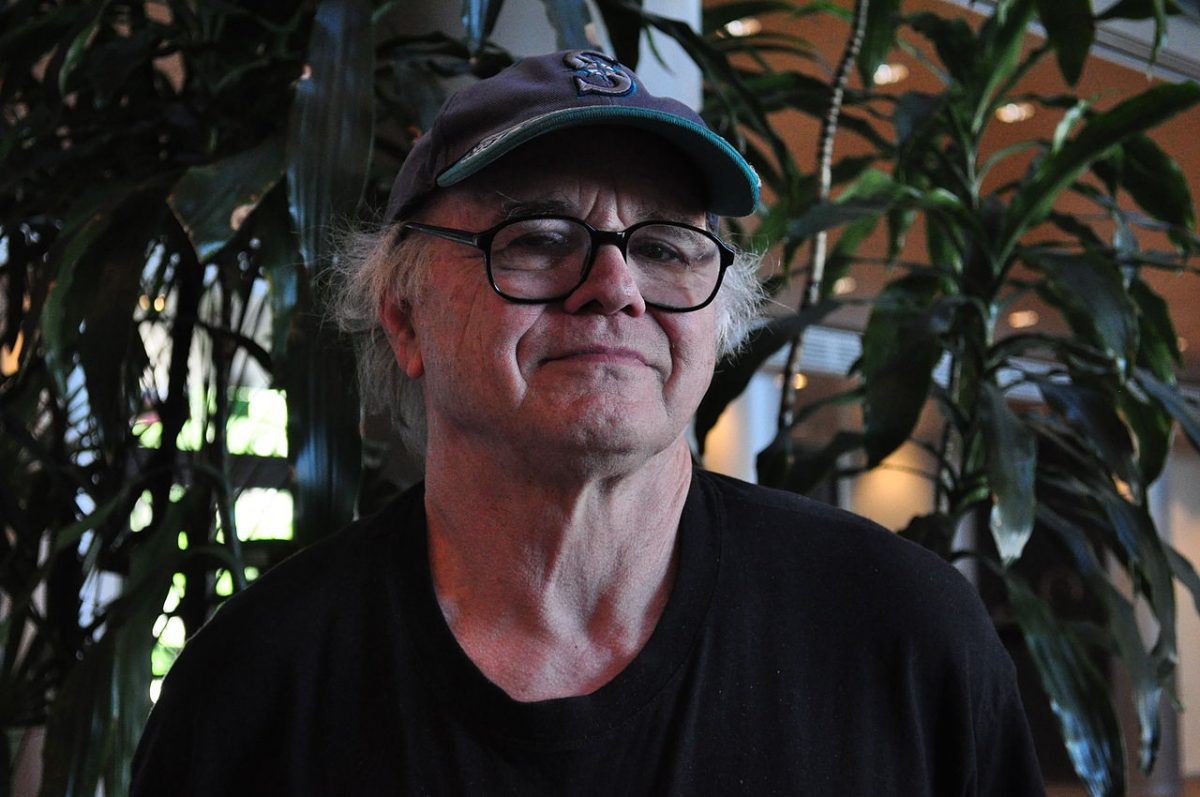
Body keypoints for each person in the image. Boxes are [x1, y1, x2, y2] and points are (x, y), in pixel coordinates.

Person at [132, 49, 1044, 795]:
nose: (614, 286)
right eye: (534, 237)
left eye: (665, 248)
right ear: (405, 317)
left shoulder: (905, 641)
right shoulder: (256, 690)